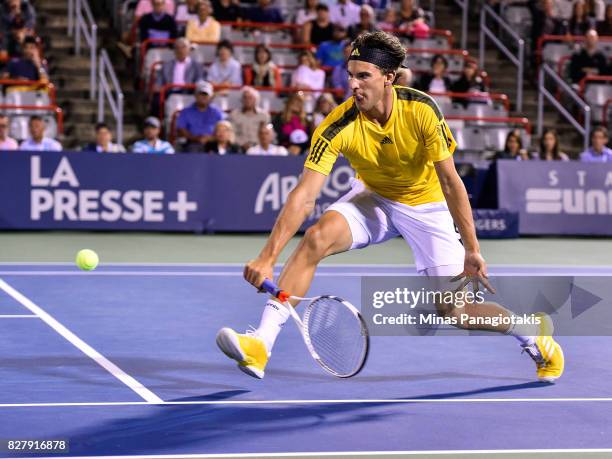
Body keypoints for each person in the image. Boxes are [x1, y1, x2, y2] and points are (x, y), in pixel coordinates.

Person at [216, 31, 565, 383]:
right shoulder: (338, 124)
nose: (353, 84)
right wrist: (268, 256)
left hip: (427, 205)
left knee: (456, 311)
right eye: (350, 75)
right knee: (316, 237)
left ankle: (531, 330)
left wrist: (472, 248)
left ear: (389, 78)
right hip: (375, 198)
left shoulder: (421, 110)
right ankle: (261, 343)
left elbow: (450, 182)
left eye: (363, 76)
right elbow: (305, 194)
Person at [176, 80, 224, 152]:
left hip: (214, 142)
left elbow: (223, 129)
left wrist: (210, 138)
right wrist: (196, 138)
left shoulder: (217, 112)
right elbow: (181, 130)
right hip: (192, 143)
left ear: (211, 96)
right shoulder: (186, 112)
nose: (203, 97)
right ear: (195, 95)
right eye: (201, 94)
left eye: (206, 94)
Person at [229, 86, 271, 151]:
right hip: (239, 147)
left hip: (259, 146)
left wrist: (257, 146)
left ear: (256, 99)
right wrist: (242, 144)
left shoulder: (264, 115)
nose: (247, 100)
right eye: (245, 98)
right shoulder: (234, 114)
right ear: (241, 100)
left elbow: (268, 134)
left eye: (250, 98)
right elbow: (231, 133)